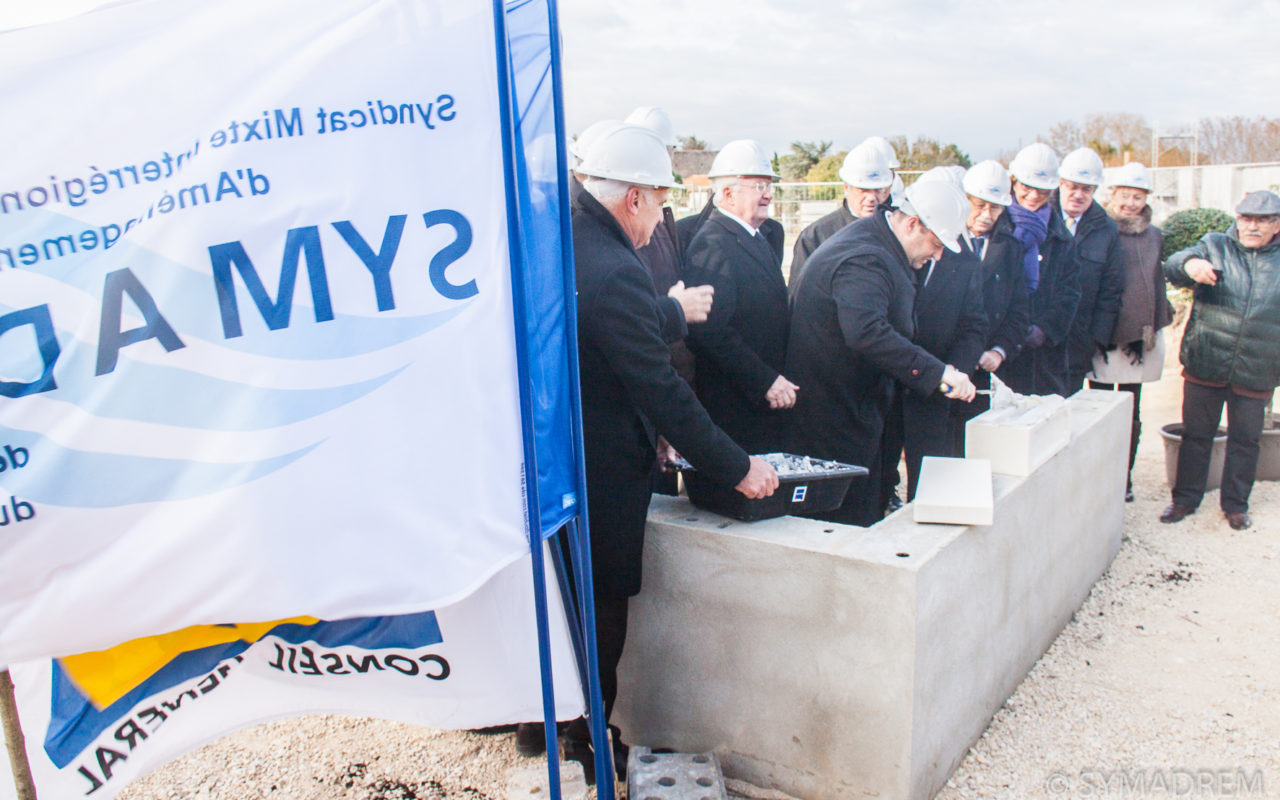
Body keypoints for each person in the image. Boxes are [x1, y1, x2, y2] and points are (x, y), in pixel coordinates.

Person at [567, 123, 779, 772]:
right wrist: (737, 466)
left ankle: (544, 731)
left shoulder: (567, 238)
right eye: (659, 202)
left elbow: (608, 322)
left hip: (560, 464)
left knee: (559, 612)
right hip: (599, 474)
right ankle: (588, 746)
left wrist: (669, 312)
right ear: (633, 198)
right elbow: (661, 390)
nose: (663, 217)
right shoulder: (612, 267)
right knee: (599, 619)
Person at [787, 179, 976, 526]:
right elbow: (867, 332)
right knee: (843, 522)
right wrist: (938, 373)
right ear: (912, 223)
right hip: (833, 416)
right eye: (936, 244)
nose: (937, 255)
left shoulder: (879, 242)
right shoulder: (865, 259)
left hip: (854, 407)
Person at [1159, 190, 1280, 531]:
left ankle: (1236, 505)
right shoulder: (1215, 244)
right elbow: (1174, 265)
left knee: (1246, 440)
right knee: (1197, 435)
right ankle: (1184, 500)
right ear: (1237, 219)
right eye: (1246, 218)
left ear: (1276, 225)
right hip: (1207, 358)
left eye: (1262, 220)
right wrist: (1190, 265)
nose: (1252, 226)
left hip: (1258, 367)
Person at [685, 140, 798, 453]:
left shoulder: (758, 237)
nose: (769, 194)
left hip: (760, 400)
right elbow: (710, 331)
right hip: (735, 404)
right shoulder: (712, 244)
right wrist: (764, 380)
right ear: (727, 194)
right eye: (759, 185)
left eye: (770, 185)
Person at [884, 168, 987, 502]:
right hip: (883, 384)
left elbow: (974, 325)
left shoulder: (964, 262)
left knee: (928, 481)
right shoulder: (888, 250)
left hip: (932, 388)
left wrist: (951, 376)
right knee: (876, 473)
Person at [1088, 162, 1172, 502]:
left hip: (1140, 339)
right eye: (1125, 195)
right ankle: (1098, 475)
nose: (1130, 203)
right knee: (1099, 409)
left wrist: (1155, 321)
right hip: (1105, 337)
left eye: (1137, 197)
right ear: (1112, 195)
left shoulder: (1154, 235)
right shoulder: (1101, 229)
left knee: (1131, 411)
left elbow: (1155, 283)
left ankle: (1125, 478)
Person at [950, 160, 1030, 453]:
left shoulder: (1010, 249)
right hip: (946, 365)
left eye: (994, 208)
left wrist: (1000, 350)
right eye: (979, 205)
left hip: (986, 367)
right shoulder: (945, 241)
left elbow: (1019, 310)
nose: (986, 215)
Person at [996, 142, 1080, 397]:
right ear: (1013, 182)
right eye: (1027, 187)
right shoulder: (997, 225)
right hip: (998, 348)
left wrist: (1044, 329)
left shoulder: (1061, 236)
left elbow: (1070, 291)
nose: (1033, 195)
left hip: (1042, 358)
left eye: (1042, 190)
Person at [1054, 147, 1123, 394]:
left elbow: (1111, 289)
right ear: (1060, 183)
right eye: (1072, 186)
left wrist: (1095, 339)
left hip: (1078, 342)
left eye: (1086, 189)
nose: (1078, 195)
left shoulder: (1106, 230)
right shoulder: (1042, 219)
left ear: (1095, 190)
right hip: (1036, 341)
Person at [787, 140, 894, 297]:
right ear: (846, 187)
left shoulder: (901, 233)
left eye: (878, 190)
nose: (871, 197)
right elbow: (799, 296)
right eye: (863, 189)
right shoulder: (816, 236)